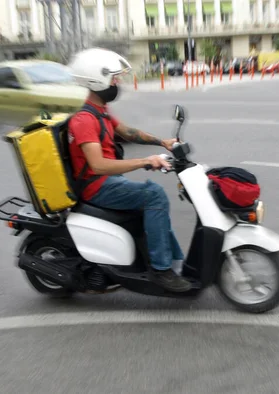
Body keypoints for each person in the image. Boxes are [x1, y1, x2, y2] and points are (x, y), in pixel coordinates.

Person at [67, 48, 192, 293]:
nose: (118, 82)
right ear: (97, 80)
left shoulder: (100, 112)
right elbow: (98, 165)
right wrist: (146, 161)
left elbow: (128, 132)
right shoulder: (84, 120)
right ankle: (161, 270)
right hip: (96, 186)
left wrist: (161, 142)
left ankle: (174, 262)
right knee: (154, 194)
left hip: (106, 180)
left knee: (154, 202)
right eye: (113, 78)